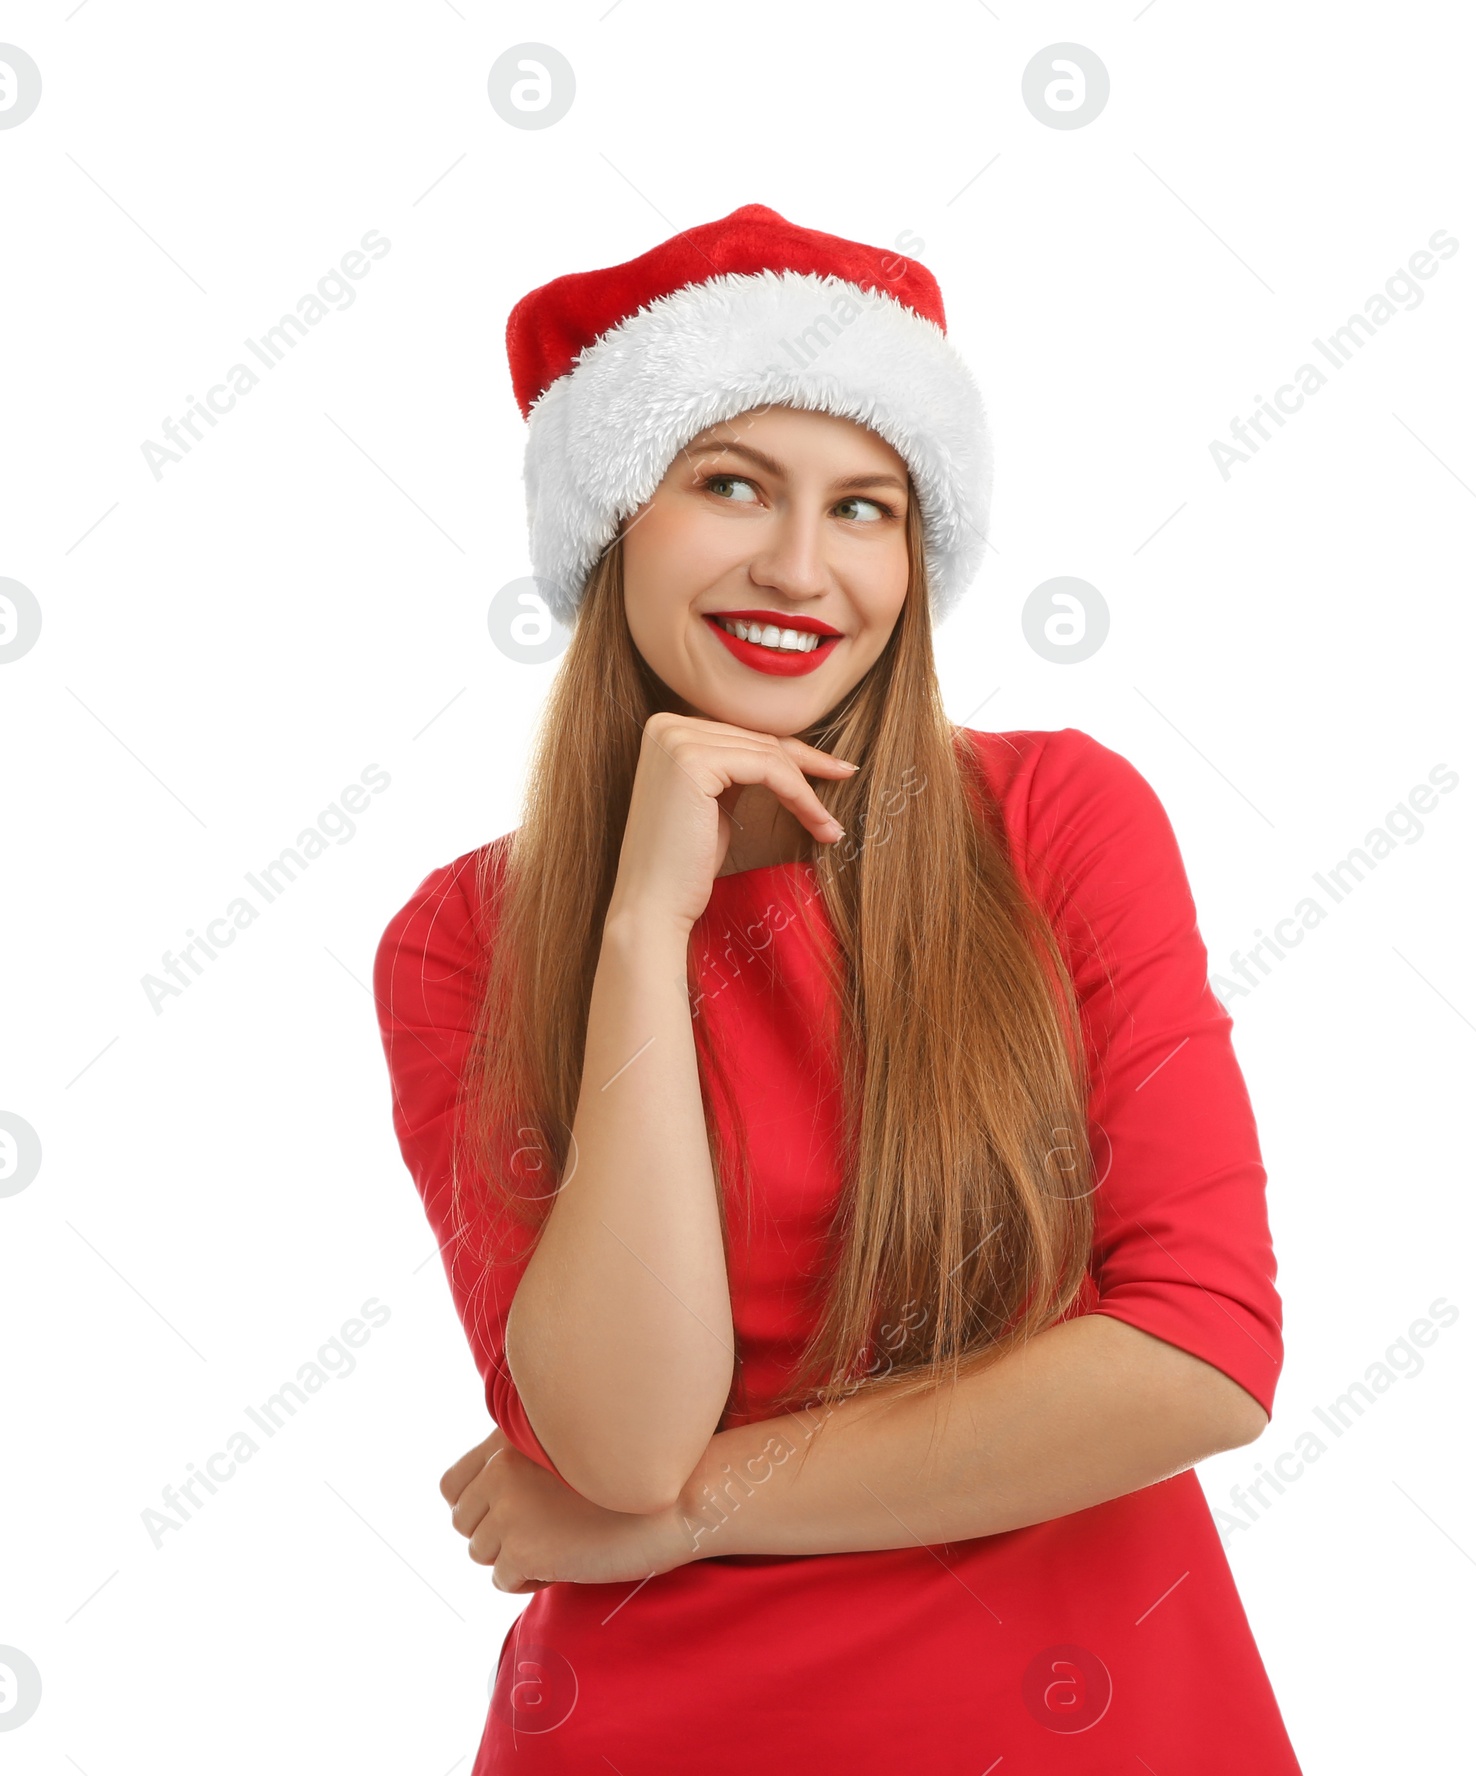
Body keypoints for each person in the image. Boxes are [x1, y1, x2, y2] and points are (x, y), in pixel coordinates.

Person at [373, 204, 1302, 1773]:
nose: (800, 568)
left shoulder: (1059, 822)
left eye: (865, 508)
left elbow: (1198, 1356)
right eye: (729, 483)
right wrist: (641, 929)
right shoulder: (466, 937)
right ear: (613, 523)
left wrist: (673, 1525)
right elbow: (616, 1439)